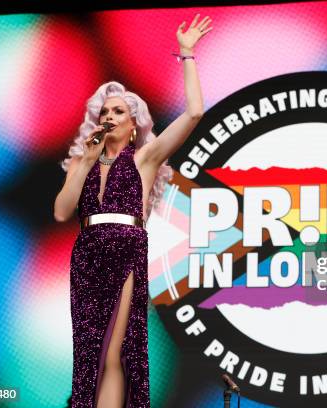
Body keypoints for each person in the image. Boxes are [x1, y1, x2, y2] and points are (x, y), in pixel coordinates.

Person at [54, 14, 212, 408]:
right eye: (105, 112)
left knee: (115, 348)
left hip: (126, 248)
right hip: (89, 250)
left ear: (133, 122)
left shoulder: (144, 159)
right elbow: (61, 212)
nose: (110, 118)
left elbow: (194, 113)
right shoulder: (82, 162)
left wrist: (187, 54)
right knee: (88, 352)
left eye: (120, 112)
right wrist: (83, 165)